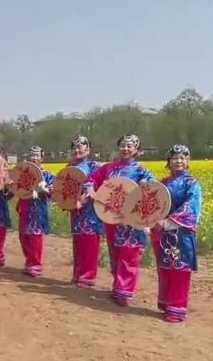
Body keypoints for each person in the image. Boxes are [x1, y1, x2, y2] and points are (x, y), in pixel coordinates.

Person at [86, 134, 155, 305]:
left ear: (136, 150)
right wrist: (91, 191)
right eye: (123, 145)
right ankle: (118, 286)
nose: (125, 149)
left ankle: (125, 291)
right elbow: (91, 179)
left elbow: (153, 190)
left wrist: (144, 186)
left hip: (131, 219)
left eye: (130, 146)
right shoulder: (109, 168)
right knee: (115, 252)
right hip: (111, 217)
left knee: (129, 253)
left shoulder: (141, 170)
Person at [153, 145, 202, 323]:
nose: (178, 161)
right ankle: (166, 302)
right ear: (169, 161)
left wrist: (168, 222)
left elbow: (191, 207)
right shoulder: (164, 183)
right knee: (166, 267)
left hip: (181, 233)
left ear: (188, 161)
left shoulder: (192, 183)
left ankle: (177, 308)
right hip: (163, 233)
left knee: (180, 269)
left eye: (182, 158)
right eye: (175, 158)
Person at [67, 136, 104, 288]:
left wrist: (86, 198)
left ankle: (88, 276)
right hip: (75, 209)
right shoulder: (69, 166)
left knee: (89, 242)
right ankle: (78, 273)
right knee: (78, 242)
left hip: (90, 210)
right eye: (74, 148)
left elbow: (100, 185)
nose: (77, 150)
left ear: (88, 150)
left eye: (80, 148)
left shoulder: (95, 166)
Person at [16, 146, 55, 277]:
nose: (34, 157)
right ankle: (29, 261)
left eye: (37, 155)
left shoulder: (47, 174)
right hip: (24, 208)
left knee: (35, 236)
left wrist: (44, 190)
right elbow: (15, 188)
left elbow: (53, 193)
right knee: (23, 236)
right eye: (32, 155)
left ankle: (35, 264)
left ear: (42, 158)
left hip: (38, 209)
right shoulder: (22, 172)